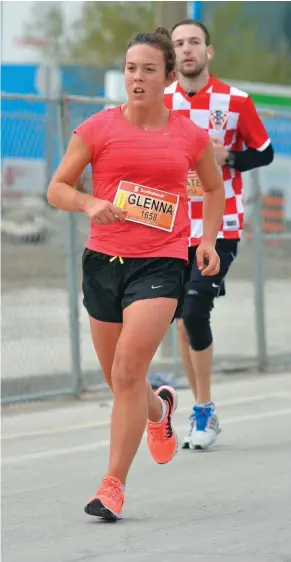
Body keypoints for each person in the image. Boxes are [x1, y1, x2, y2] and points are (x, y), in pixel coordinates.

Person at [47, 27, 225, 521]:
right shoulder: (98, 128)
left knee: (128, 371)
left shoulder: (188, 136)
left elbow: (212, 190)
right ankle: (159, 411)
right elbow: (57, 188)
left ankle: (112, 486)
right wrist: (89, 201)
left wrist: (206, 240)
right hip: (104, 263)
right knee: (118, 378)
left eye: (148, 69)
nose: (137, 78)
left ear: (169, 76)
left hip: (162, 263)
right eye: (130, 69)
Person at [164, 20, 274, 450]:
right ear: (172, 56)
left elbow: (264, 152)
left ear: (208, 52)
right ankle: (198, 408)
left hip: (220, 221)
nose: (186, 50)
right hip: (172, 224)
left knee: (194, 309)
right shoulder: (161, 100)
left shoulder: (235, 101)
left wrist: (228, 156)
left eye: (194, 42)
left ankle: (204, 411)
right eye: (178, 44)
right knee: (177, 318)